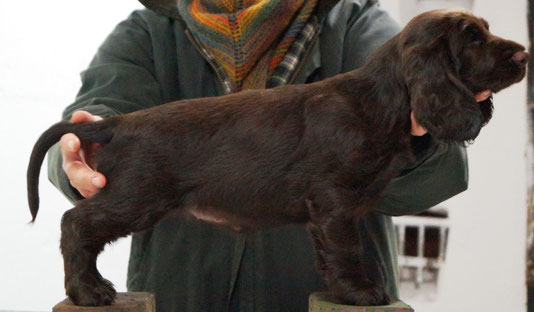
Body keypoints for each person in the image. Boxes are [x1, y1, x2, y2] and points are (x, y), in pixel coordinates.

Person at [47, 0, 491, 311]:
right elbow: (97, 120)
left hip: (330, 300)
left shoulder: (358, 24)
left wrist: (423, 134)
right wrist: (77, 154)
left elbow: (440, 173)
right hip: (180, 295)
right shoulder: (146, 33)